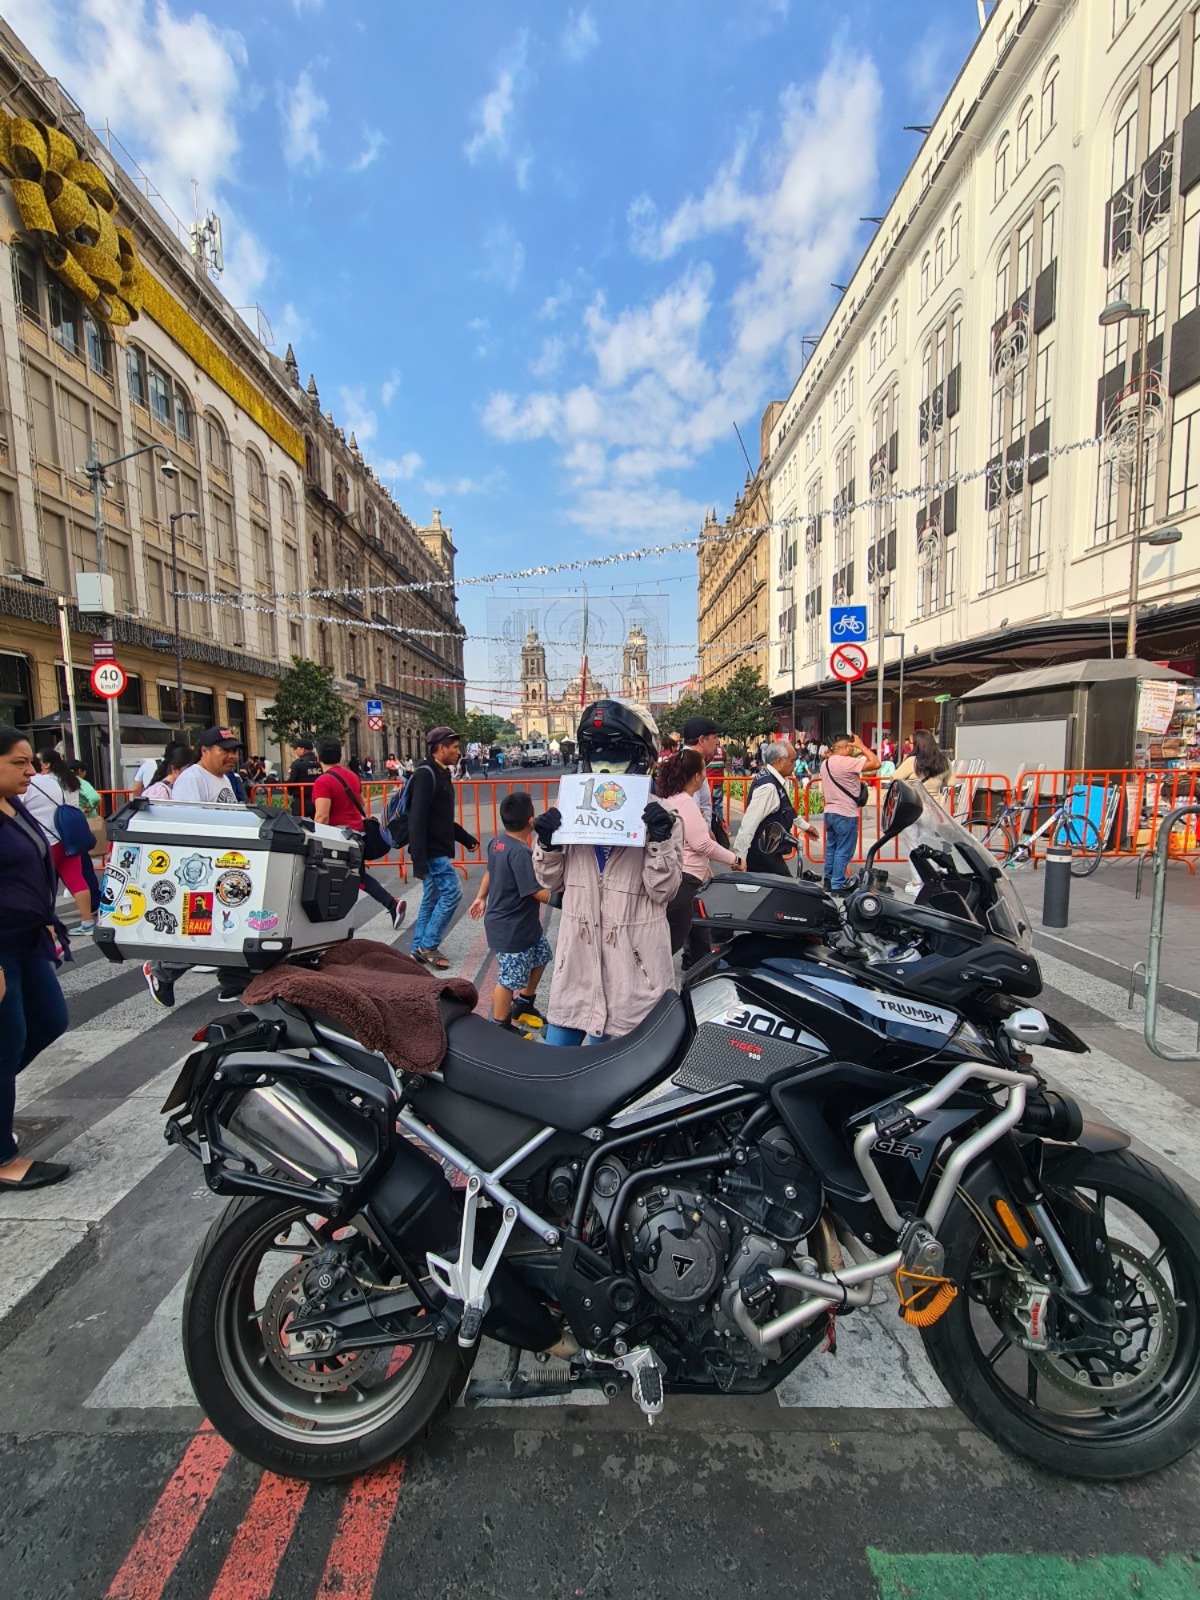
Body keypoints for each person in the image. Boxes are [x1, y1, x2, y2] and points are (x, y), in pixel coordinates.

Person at [533, 699, 683, 1046]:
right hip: (577, 968)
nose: (606, 766)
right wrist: (547, 844)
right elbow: (550, 881)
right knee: (558, 1061)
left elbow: (664, 892)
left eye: (617, 756)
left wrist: (658, 841)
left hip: (633, 974)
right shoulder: (570, 809)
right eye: (598, 754)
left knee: (620, 1080)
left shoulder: (663, 817)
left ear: (642, 758)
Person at [0, 729, 70, 1192]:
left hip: (27, 939)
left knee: (48, 1021)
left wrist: (44, 916)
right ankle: (2, 1161)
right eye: (19, 763)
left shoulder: (12, 805)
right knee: (6, 1043)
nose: (31, 771)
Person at [468, 791, 552, 1031]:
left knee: (542, 955)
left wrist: (481, 897)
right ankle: (500, 1024)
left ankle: (524, 1003)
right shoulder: (521, 853)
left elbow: (490, 872)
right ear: (531, 821)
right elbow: (535, 891)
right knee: (508, 979)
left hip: (523, 926)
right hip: (510, 929)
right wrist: (566, 901)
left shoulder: (497, 843)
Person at [657, 748, 744, 963]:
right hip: (685, 880)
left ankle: (700, 981)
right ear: (697, 776)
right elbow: (702, 845)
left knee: (699, 940)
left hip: (686, 879)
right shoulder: (686, 803)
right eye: (704, 770)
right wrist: (735, 859)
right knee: (667, 946)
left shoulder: (672, 799)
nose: (705, 776)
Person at [311, 736, 406, 931]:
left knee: (346, 877)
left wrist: (315, 840)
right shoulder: (352, 775)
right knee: (353, 877)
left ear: (318, 756)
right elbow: (361, 804)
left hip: (339, 838)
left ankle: (390, 904)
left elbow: (322, 817)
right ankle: (388, 905)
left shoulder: (323, 781)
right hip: (358, 834)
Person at [407, 726, 479, 969]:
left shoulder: (441, 773)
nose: (458, 752)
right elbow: (417, 818)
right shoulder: (426, 775)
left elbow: (441, 818)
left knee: (432, 896)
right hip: (431, 850)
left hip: (436, 846)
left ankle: (419, 947)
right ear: (440, 748)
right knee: (452, 892)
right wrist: (418, 858)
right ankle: (429, 945)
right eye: (455, 747)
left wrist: (465, 838)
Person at [25, 750, 96, 931]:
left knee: (43, 885)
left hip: (47, 840)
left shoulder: (34, 782)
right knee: (76, 879)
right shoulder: (71, 781)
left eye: (35, 760)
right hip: (70, 838)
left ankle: (46, 926)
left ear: (46, 764)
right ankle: (87, 922)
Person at [734, 740, 818, 877]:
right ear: (779, 761)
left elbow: (786, 807)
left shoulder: (774, 779)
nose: (794, 765)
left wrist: (805, 826)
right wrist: (739, 856)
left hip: (768, 848)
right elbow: (749, 822)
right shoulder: (768, 787)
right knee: (786, 889)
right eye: (792, 761)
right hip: (762, 852)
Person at [819, 732, 881, 892]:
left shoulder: (825, 763)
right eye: (851, 748)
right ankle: (837, 884)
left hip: (830, 812)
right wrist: (862, 747)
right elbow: (875, 763)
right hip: (846, 813)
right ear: (846, 747)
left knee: (832, 848)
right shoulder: (847, 762)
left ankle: (828, 880)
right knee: (843, 850)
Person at [894, 729, 952, 895]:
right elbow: (951, 782)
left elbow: (895, 777)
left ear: (918, 744)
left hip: (911, 806)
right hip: (932, 809)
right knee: (930, 845)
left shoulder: (912, 761)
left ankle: (917, 882)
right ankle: (932, 880)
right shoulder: (944, 762)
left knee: (913, 846)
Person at [170, 727, 241, 803]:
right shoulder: (191, 780)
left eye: (234, 751)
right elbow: (188, 814)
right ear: (204, 751)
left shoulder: (224, 778)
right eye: (225, 750)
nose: (232, 756)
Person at [682, 715, 722, 829]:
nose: (717, 742)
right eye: (714, 737)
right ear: (701, 740)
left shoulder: (694, 761)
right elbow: (691, 810)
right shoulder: (689, 765)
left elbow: (703, 805)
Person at [287, 737, 322, 818]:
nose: (295, 751)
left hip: (301, 800)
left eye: (296, 748)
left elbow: (291, 781)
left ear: (302, 749)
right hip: (318, 800)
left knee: (299, 825)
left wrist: (290, 791)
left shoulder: (297, 763)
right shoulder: (320, 763)